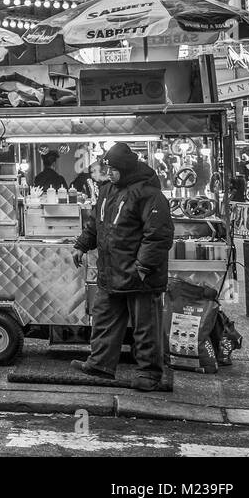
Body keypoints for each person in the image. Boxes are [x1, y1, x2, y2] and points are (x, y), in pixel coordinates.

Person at [72, 142, 174, 392]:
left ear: (125, 169)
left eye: (113, 169)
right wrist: (82, 245)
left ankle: (149, 374)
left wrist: (142, 267)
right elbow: (97, 223)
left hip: (139, 275)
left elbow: (158, 235)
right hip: (111, 270)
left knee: (145, 327)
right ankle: (100, 364)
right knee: (104, 318)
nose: (109, 172)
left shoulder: (149, 193)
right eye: (107, 167)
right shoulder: (107, 190)